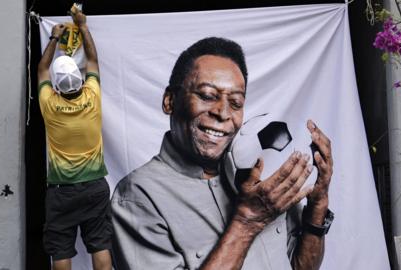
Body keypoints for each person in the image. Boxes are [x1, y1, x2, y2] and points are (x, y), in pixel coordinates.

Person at [111, 37, 334, 270]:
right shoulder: (137, 197)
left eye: (236, 102)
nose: (223, 113)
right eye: (207, 96)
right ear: (170, 101)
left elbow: (302, 267)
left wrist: (318, 202)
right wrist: (247, 221)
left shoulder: (264, 171)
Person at [37, 8, 112, 270]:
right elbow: (92, 58)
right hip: (94, 187)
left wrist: (54, 38)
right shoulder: (92, 96)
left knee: (61, 250)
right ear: (81, 80)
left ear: (56, 87)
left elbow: (42, 68)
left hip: (62, 192)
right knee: (100, 244)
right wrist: (83, 26)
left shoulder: (49, 104)